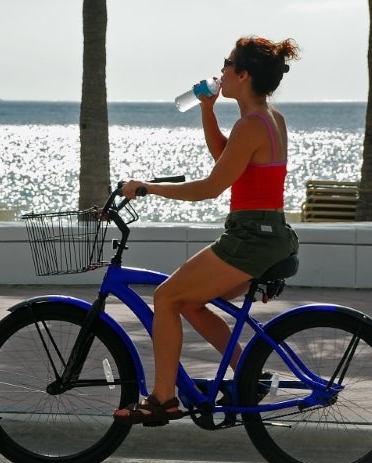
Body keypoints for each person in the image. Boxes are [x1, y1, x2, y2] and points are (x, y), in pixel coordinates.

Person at [113, 36, 301, 426]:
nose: (222, 70)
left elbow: (210, 188)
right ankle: (251, 374)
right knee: (189, 302)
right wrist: (207, 110)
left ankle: (163, 398)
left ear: (244, 75)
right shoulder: (269, 118)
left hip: (250, 239)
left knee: (166, 297)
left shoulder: (252, 124)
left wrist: (147, 187)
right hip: (270, 235)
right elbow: (226, 159)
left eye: (228, 64)